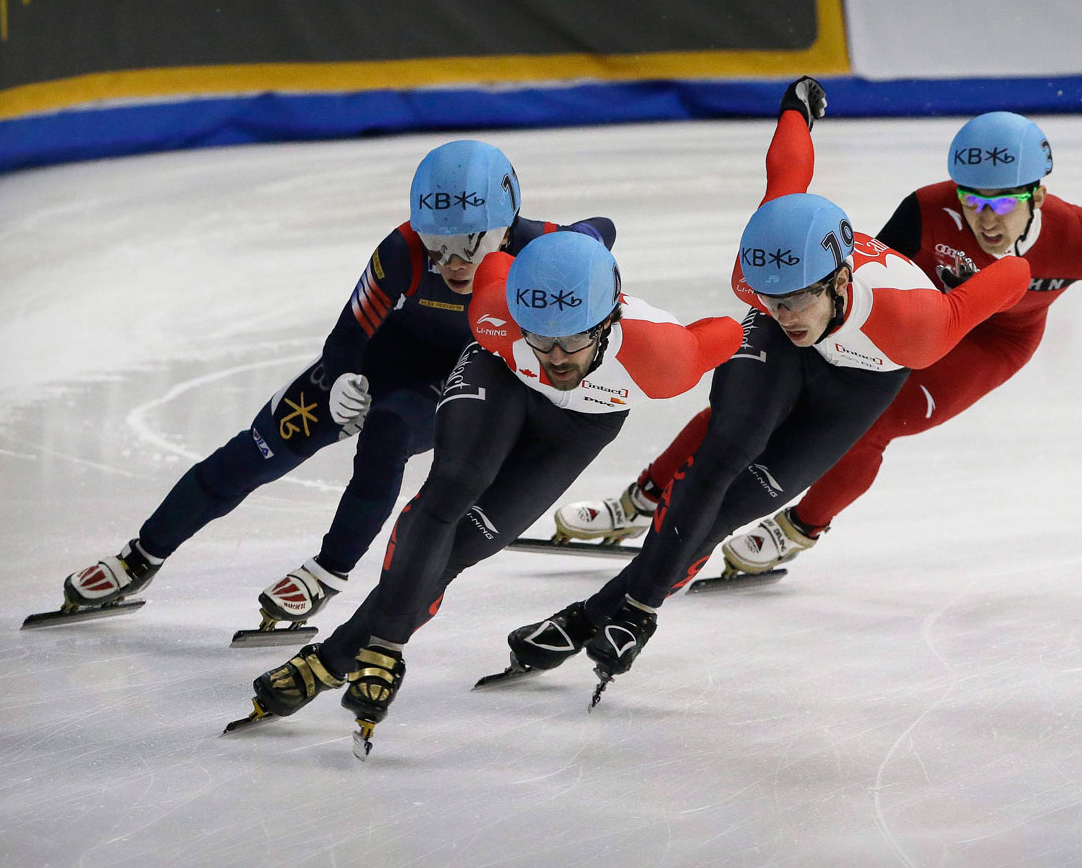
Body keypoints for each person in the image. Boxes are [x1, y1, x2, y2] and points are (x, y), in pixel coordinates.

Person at [498, 78, 1034, 702]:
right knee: (722, 455)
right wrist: (796, 109)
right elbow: (787, 174)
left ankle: (591, 616)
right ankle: (638, 606)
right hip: (782, 354)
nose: (786, 311)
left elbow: (1014, 276)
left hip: (866, 373)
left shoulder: (917, 323)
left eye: (800, 298)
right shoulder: (769, 279)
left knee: (735, 504)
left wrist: (1007, 260)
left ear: (838, 281)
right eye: (771, 297)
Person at [554, 114, 1082, 579]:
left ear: (1038, 193)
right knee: (751, 404)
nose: (986, 217)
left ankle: (802, 525)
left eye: (1004, 201)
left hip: (991, 340)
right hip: (914, 320)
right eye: (972, 197)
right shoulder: (929, 208)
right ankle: (646, 497)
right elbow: (873, 272)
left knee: (873, 425)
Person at [45, 140, 615, 630]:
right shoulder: (403, 251)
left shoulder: (539, 250)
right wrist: (342, 375)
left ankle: (328, 571)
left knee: (387, 436)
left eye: (469, 241)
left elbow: (602, 230)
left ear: (507, 223)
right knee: (254, 453)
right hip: (384, 361)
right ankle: (141, 555)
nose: (452, 260)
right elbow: (347, 334)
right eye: (437, 240)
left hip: (455, 376)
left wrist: (584, 242)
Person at [228, 231, 744, 753]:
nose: (556, 358)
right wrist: (387, 644)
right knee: (450, 490)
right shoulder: (495, 316)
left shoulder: (664, 357)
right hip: (498, 377)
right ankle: (378, 650)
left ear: (609, 322)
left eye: (573, 341)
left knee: (467, 546)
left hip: (580, 426)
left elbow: (729, 330)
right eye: (540, 338)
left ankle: (330, 660)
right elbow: (498, 259)